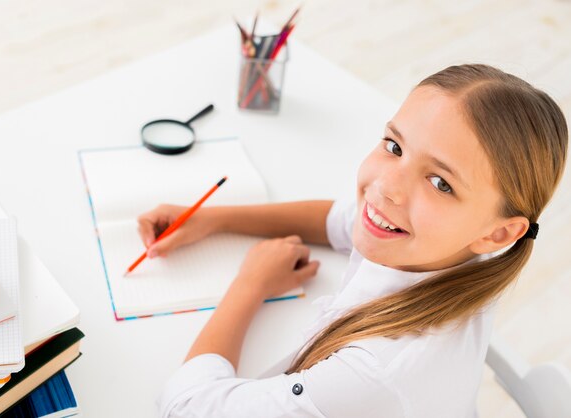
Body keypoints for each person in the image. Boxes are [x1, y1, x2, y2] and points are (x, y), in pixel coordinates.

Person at [139, 64, 568, 417]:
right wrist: (213, 219)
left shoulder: (375, 376)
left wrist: (250, 284)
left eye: (440, 183)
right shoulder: (457, 249)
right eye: (394, 146)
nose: (386, 187)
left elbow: (186, 406)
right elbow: (339, 219)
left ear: (498, 232)